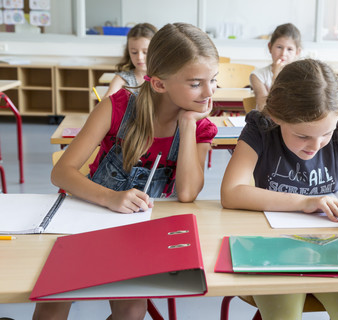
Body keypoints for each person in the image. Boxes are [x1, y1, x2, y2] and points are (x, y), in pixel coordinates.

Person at [33, 22, 219, 320]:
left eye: (213, 80)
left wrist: (187, 124)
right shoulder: (117, 107)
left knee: (133, 310)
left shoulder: (201, 127)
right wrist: (110, 198)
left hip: (139, 231)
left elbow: (187, 193)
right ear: (158, 83)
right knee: (53, 304)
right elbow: (62, 173)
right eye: (196, 83)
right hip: (85, 216)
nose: (209, 93)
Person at [221, 59, 338, 320]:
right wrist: (304, 201)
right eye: (302, 136)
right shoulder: (261, 129)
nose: (315, 145)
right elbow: (231, 192)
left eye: (325, 134)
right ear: (276, 117)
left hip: (332, 247)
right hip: (272, 247)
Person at [249, 23, 301, 110]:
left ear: (297, 52)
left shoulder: (301, 76)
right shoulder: (257, 76)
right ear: (270, 47)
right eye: (279, 47)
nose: (283, 54)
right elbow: (263, 108)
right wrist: (275, 77)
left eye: (289, 49)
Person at [103, 23, 158, 99]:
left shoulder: (164, 77)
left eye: (145, 52)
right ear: (128, 52)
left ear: (156, 51)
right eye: (134, 52)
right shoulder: (122, 79)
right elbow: (105, 103)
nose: (139, 57)